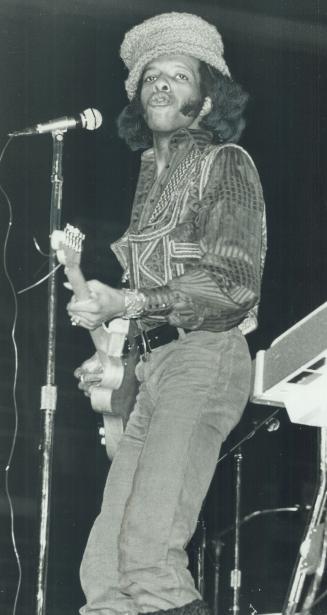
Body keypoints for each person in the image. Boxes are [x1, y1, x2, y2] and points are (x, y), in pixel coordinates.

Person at [55, 12, 267, 615]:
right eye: (153, 76)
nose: (162, 84)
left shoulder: (226, 163)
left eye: (180, 74)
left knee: (150, 556)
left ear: (206, 100)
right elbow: (142, 300)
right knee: (103, 571)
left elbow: (232, 284)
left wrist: (132, 302)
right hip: (153, 371)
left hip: (205, 358)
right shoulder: (151, 178)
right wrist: (110, 340)